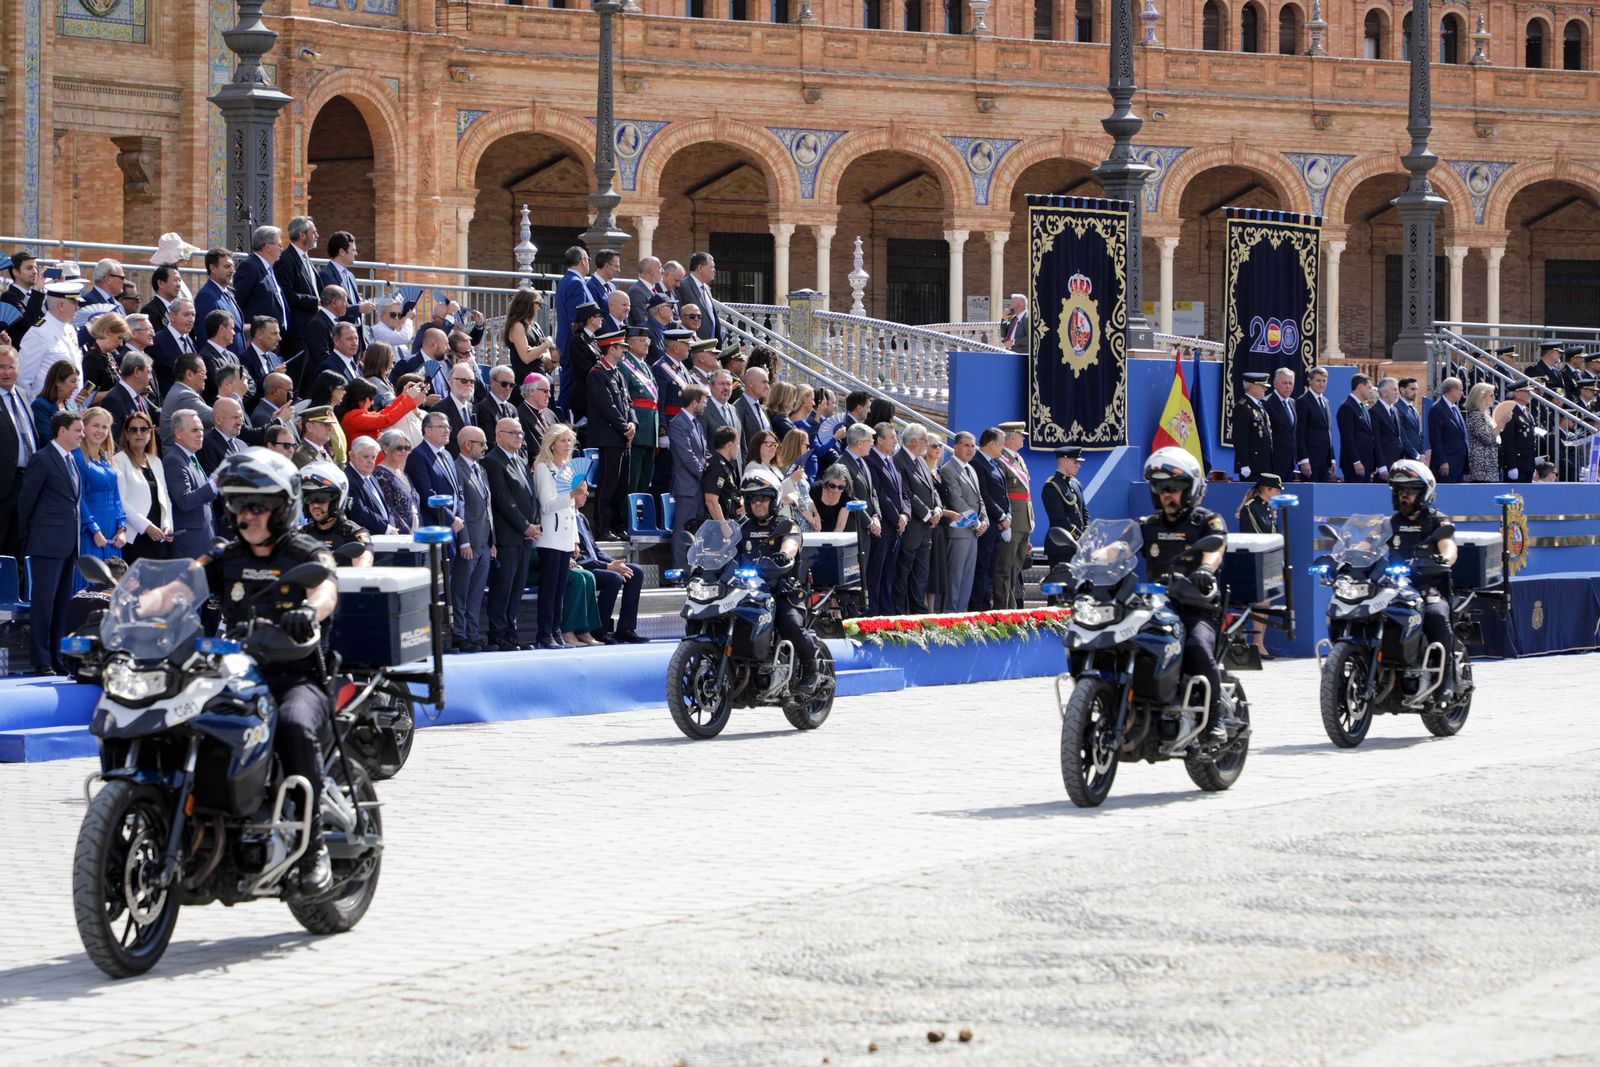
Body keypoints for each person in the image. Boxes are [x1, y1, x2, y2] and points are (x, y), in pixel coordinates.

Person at [206, 447, 339, 893]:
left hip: (295, 676)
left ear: (282, 509)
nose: (249, 514)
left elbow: (325, 586)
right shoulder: (226, 555)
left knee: (294, 726)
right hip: (236, 674)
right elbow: (178, 582)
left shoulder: (304, 548)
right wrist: (127, 605)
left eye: (258, 505)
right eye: (241, 504)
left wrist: (310, 612)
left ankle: (314, 842)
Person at [1138, 447, 1230, 742]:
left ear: (1189, 490)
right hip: (1155, 606)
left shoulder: (1206, 521)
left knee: (1196, 648)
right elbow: (1118, 548)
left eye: (1175, 489)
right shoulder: (1148, 525)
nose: (1168, 495)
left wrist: (1205, 569)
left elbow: (1216, 548)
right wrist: (1088, 563)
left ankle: (1215, 718)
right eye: (1162, 488)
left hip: (1195, 606)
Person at [735, 468, 821, 691]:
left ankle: (813, 669)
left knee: (790, 623)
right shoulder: (743, 528)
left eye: (763, 498)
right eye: (753, 499)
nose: (758, 503)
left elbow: (791, 544)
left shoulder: (786, 525)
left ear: (773, 500)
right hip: (750, 592)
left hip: (783, 590)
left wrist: (784, 553)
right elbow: (727, 552)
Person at [1386, 460, 1459, 698]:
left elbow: (1448, 547)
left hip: (1429, 585)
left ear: (1424, 493)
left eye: (1409, 492)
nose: (1404, 497)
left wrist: (1444, 560)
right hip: (1395, 588)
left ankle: (1446, 677)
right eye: (1400, 492)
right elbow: (1367, 544)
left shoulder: (1437, 520)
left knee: (1437, 615)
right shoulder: (1390, 524)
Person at [21, 411, 85, 672]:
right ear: (61, 431)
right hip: (47, 545)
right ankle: (42, 660)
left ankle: (58, 660)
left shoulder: (72, 460)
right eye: (78, 430)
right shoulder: (43, 459)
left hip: (69, 545)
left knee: (61, 606)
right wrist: (31, 536)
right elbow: (26, 502)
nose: (82, 435)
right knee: (44, 606)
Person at [483, 417, 540, 652]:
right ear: (499, 436)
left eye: (520, 433)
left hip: (525, 536)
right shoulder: (493, 461)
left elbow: (529, 495)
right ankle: (498, 633)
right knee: (503, 586)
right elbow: (503, 500)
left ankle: (511, 631)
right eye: (514, 433)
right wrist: (525, 525)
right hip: (508, 536)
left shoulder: (519, 459)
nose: (519, 437)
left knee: (517, 586)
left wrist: (534, 523)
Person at [532, 424, 587, 651]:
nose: (567, 445)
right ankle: (545, 632)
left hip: (565, 536)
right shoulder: (543, 468)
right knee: (550, 587)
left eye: (569, 441)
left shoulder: (567, 468)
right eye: (563, 440)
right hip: (550, 536)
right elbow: (547, 504)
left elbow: (572, 510)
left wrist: (574, 538)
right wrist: (571, 495)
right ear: (552, 443)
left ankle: (556, 630)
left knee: (560, 588)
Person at [586, 328, 636, 539]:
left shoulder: (617, 373)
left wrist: (633, 422)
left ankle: (618, 525)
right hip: (609, 437)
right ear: (611, 348)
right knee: (607, 485)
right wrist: (625, 427)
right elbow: (607, 406)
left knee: (621, 485)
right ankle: (603, 528)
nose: (624, 350)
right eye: (621, 347)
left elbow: (628, 403)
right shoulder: (597, 374)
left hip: (622, 438)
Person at [72, 407, 126, 592]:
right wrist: (94, 529)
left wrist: (121, 528)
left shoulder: (107, 459)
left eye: (105, 427)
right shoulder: (77, 457)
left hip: (112, 534)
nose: (100, 431)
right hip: (90, 532)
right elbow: (79, 498)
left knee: (111, 587)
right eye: (95, 425)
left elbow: (116, 498)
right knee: (90, 584)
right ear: (84, 427)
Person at [450, 425, 494, 652]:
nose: (486, 447)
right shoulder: (456, 469)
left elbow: (487, 508)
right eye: (481, 443)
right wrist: (463, 540)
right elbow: (460, 509)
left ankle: (473, 634)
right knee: (461, 592)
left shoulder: (481, 470)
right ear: (467, 444)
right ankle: (459, 634)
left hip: (484, 542)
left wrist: (492, 541)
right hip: (468, 544)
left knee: (476, 593)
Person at [573, 511, 646, 644]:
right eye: (583, 490)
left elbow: (596, 550)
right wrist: (609, 566)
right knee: (613, 578)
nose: (587, 494)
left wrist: (617, 564)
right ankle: (599, 631)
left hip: (596, 564)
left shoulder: (582, 517)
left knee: (636, 571)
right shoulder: (567, 518)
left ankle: (625, 629)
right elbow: (578, 558)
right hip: (582, 567)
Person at [113, 411, 173, 564]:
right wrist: (146, 527)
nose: (138, 433)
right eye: (133, 430)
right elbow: (120, 501)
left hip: (158, 536)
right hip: (136, 536)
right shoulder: (119, 460)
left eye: (143, 429)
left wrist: (167, 525)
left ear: (150, 433)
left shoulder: (156, 461)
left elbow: (164, 496)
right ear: (126, 434)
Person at [892, 424, 939, 614]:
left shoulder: (921, 462)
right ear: (913, 441)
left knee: (921, 574)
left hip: (926, 531)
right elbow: (907, 493)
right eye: (924, 440)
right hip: (912, 528)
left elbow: (932, 490)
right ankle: (900, 613)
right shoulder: (899, 461)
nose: (927, 444)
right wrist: (928, 514)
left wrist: (937, 508)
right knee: (903, 574)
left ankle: (918, 611)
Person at [939, 432, 987, 613]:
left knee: (967, 579)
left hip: (973, 532)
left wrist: (985, 520)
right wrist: (975, 523)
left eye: (973, 446)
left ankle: (962, 617)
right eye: (966, 445)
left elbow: (979, 500)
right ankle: (950, 617)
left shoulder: (971, 469)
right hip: (958, 533)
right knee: (955, 579)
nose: (970, 449)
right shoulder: (948, 469)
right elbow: (957, 501)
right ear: (956, 446)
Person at [865, 422, 906, 616]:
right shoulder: (871, 461)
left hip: (897, 526)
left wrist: (905, 514)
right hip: (885, 525)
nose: (895, 440)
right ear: (879, 440)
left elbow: (903, 493)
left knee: (889, 572)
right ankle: (874, 613)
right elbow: (880, 494)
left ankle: (886, 611)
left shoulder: (892, 461)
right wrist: (897, 517)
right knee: (877, 572)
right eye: (892, 437)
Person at [299, 460, 373, 566]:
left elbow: (363, 567)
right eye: (309, 499)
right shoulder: (302, 535)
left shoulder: (354, 534)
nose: (315, 505)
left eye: (321, 499)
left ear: (336, 500)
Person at [668, 384, 710, 569]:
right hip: (686, 488)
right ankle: (679, 570)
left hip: (698, 487)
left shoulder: (697, 423)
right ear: (694, 403)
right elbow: (687, 456)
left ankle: (692, 569)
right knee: (682, 531)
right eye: (704, 402)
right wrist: (705, 474)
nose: (705, 405)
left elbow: (704, 454)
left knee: (697, 532)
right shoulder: (678, 423)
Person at [993, 422, 1034, 609]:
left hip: (1023, 519)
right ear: (1011, 438)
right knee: (1005, 567)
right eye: (1020, 435)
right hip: (1012, 520)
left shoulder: (1019, 460)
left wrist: (1030, 518)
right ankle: (1004, 607)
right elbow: (1003, 493)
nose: (1023, 438)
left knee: (1016, 566)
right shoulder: (1001, 461)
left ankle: (1010, 606)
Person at [970, 428, 1010, 611]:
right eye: (1002, 443)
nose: (1004, 446)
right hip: (988, 525)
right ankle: (978, 608)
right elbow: (984, 494)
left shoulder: (996, 464)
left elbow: (1003, 493)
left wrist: (1008, 515)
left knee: (991, 570)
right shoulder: (978, 462)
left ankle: (986, 606)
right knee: (982, 569)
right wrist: (1001, 515)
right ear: (991, 444)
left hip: (999, 526)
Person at [338, 375, 421, 445]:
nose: (372, 403)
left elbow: (383, 413)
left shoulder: (355, 415)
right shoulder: (353, 417)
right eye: (370, 399)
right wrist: (409, 399)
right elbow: (386, 419)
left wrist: (403, 396)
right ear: (360, 399)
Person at [345, 436, 395, 536]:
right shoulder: (347, 480)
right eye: (366, 457)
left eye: (373, 457)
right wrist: (386, 529)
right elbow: (359, 512)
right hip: (366, 541)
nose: (371, 461)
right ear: (352, 456)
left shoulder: (370, 475)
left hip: (384, 539)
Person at [373, 429, 420, 534]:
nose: (404, 451)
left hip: (415, 536)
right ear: (385, 448)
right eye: (399, 448)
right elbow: (390, 511)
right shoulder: (381, 475)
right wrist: (407, 534)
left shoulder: (402, 473)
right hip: (400, 539)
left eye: (407, 448)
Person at [505, 287, 556, 380]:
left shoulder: (535, 326)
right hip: (526, 380)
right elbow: (526, 358)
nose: (539, 308)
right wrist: (547, 343)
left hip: (540, 377)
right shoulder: (517, 325)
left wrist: (536, 352)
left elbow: (548, 355)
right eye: (538, 303)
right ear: (528, 304)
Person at [1295, 366, 1336, 482]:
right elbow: (1300, 433)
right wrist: (1303, 460)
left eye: (1324, 381)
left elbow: (1328, 432)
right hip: (1310, 460)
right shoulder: (1303, 401)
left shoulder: (1326, 401)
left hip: (1325, 460)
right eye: (1318, 380)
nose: (1321, 384)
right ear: (1310, 381)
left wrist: (1332, 458)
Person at [33, 359, 87, 445]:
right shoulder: (40, 405)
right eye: (73, 381)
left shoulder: (70, 407)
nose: (76, 386)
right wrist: (74, 422)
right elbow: (47, 439)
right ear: (58, 382)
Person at [776, 428, 821, 531]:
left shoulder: (799, 469)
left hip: (808, 522)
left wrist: (816, 514)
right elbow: (797, 499)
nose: (808, 449)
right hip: (796, 524)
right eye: (807, 445)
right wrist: (813, 521)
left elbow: (806, 496)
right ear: (797, 445)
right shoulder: (784, 471)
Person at [1232, 371, 1273, 480]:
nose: (1265, 389)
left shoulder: (1259, 406)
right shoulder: (1243, 407)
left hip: (1264, 463)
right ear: (1254, 387)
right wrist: (1244, 464)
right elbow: (1240, 438)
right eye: (1262, 386)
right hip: (1252, 465)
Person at [1427, 376, 1469, 484]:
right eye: (1460, 390)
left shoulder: (1455, 408)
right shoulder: (1437, 409)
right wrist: (1442, 461)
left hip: (1458, 461)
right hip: (1446, 464)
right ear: (1452, 390)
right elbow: (1435, 439)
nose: (1462, 393)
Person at [1337, 373, 1377, 483]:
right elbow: (1347, 438)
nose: (1371, 390)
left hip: (1366, 463)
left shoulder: (1362, 406)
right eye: (1369, 387)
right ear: (1360, 387)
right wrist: (1356, 461)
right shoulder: (1347, 407)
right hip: (1355, 465)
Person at [1499, 378, 1538, 482]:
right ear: (1517, 394)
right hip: (1517, 463)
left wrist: (1532, 465)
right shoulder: (1510, 411)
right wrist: (1511, 465)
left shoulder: (1527, 413)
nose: (1530, 394)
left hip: (1527, 463)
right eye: (1527, 391)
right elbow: (1508, 441)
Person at [1264, 368, 1299, 483]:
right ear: (1275, 384)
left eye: (1290, 383)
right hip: (1274, 461)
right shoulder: (1267, 403)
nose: (1288, 386)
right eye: (1285, 383)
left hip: (1290, 461)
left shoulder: (1293, 403)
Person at [1464, 381, 1503, 483]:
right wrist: (1502, 422)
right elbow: (1488, 438)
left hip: (1489, 465)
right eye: (1491, 395)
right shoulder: (1476, 415)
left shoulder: (1486, 414)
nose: (1493, 398)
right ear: (1481, 396)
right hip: (1481, 466)